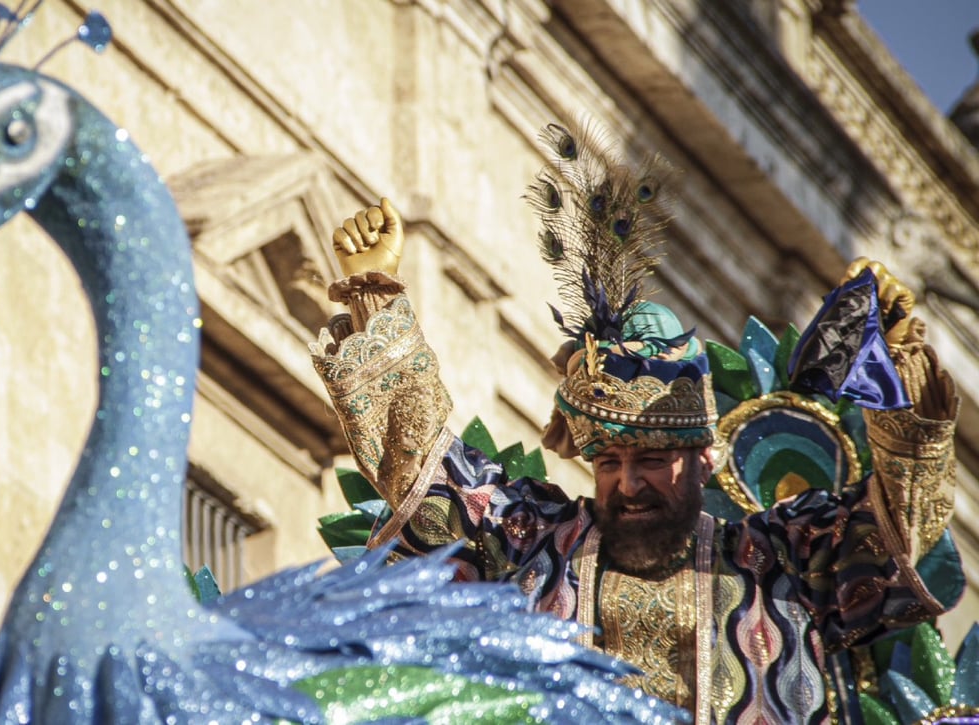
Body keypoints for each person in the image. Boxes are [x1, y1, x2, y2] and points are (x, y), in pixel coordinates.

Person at [308, 126, 963, 725]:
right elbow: (422, 462)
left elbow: (901, 524)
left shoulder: (787, 560)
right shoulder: (535, 543)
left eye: (650, 460)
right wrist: (375, 292)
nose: (627, 483)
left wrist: (902, 394)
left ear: (703, 460)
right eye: (610, 463)